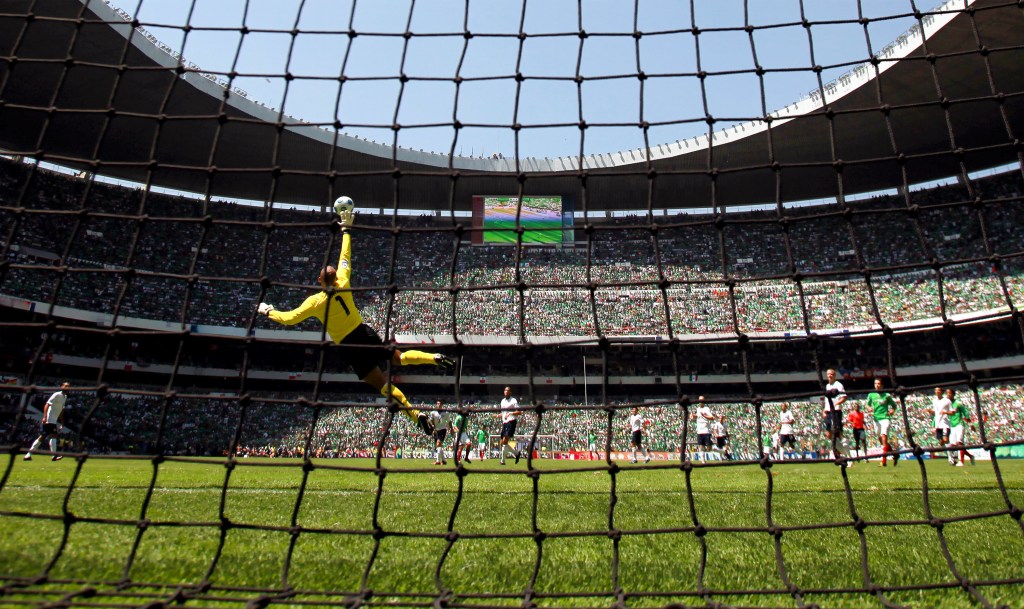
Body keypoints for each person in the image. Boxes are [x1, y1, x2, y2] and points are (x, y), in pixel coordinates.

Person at [257, 201, 454, 437]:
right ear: (334, 277)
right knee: (399, 358)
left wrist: (268, 311)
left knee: (381, 384)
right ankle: (434, 357)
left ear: (320, 282)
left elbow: (289, 319)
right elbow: (345, 255)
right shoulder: (343, 280)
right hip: (364, 333)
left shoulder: (315, 302)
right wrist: (346, 229)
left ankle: (413, 413)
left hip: (348, 347)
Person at [24, 382, 70, 461]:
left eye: (68, 387)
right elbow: (47, 404)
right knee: (52, 436)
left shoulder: (64, 397)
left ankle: (28, 455)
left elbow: (61, 410)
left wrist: (62, 422)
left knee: (43, 437)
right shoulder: (56, 394)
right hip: (49, 419)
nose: (67, 388)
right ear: (61, 387)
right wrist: (45, 417)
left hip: (53, 420)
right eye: (65, 386)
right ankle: (53, 456)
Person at [866, 377, 898, 467]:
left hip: (885, 418)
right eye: (875, 383)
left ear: (882, 385)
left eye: (879, 384)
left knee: (884, 438)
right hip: (876, 419)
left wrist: (892, 410)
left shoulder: (887, 395)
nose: (877, 385)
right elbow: (867, 404)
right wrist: (869, 408)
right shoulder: (871, 395)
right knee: (882, 442)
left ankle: (883, 462)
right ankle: (895, 454)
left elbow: (894, 406)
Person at [823, 368, 849, 462]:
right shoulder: (827, 386)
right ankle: (844, 453)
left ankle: (848, 456)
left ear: (834, 375)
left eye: (831, 374)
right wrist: (824, 410)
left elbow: (844, 396)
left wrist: (837, 404)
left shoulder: (838, 385)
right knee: (829, 434)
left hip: (836, 412)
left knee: (839, 433)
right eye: (828, 374)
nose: (830, 375)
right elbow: (827, 400)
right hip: (828, 411)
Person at [946, 389, 975, 466]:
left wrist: (971, 424)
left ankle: (961, 462)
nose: (948, 395)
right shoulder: (947, 404)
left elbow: (965, 413)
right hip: (952, 426)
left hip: (959, 424)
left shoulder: (958, 403)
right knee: (952, 445)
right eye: (947, 393)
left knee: (960, 443)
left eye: (949, 393)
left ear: (953, 394)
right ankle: (971, 456)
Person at [926, 386, 952, 461]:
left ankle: (951, 458)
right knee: (941, 442)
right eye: (936, 390)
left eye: (938, 390)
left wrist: (945, 412)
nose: (937, 392)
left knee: (945, 439)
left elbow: (952, 411)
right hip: (938, 424)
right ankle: (949, 453)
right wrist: (929, 411)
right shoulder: (934, 401)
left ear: (941, 392)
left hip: (945, 424)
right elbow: (935, 413)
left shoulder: (947, 401)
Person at [498, 386, 522, 465]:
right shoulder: (502, 401)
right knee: (502, 442)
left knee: (505, 441)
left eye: (507, 391)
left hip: (511, 422)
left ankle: (503, 461)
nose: (506, 392)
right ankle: (516, 453)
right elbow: (503, 413)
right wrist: (498, 415)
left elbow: (519, 412)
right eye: (505, 390)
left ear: (510, 392)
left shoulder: (513, 400)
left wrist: (511, 413)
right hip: (505, 422)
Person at [692, 396, 715, 463]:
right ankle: (703, 461)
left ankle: (718, 450)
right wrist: (694, 416)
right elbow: (697, 416)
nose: (700, 401)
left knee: (708, 448)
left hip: (706, 431)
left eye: (702, 400)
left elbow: (712, 417)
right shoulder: (698, 409)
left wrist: (704, 415)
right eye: (699, 400)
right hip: (699, 431)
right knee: (700, 446)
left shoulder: (706, 409)